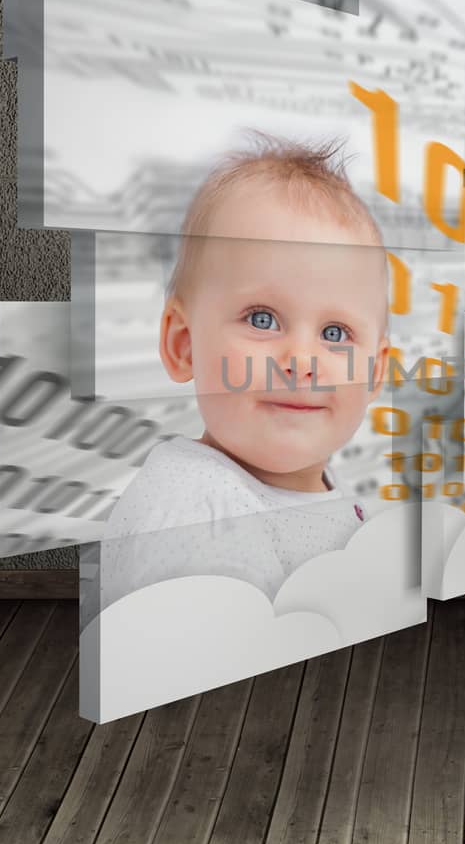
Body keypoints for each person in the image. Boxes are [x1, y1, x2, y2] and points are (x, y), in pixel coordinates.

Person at [92, 131, 394, 609]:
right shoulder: (196, 511)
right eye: (262, 319)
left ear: (377, 372)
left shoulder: (322, 487)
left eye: (335, 333)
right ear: (183, 345)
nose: (301, 361)